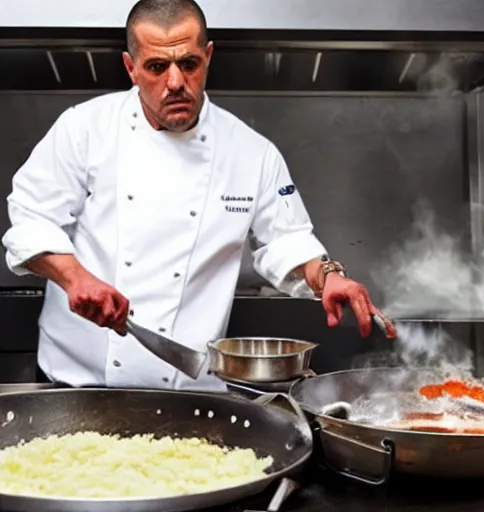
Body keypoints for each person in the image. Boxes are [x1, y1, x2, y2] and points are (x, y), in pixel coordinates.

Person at [2, 0, 396, 390]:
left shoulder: (251, 152)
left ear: (207, 57)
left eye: (188, 64)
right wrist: (75, 279)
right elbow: (32, 217)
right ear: (131, 68)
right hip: (77, 385)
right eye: (157, 67)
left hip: (191, 389)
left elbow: (287, 239)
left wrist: (327, 276)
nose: (175, 82)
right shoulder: (83, 129)